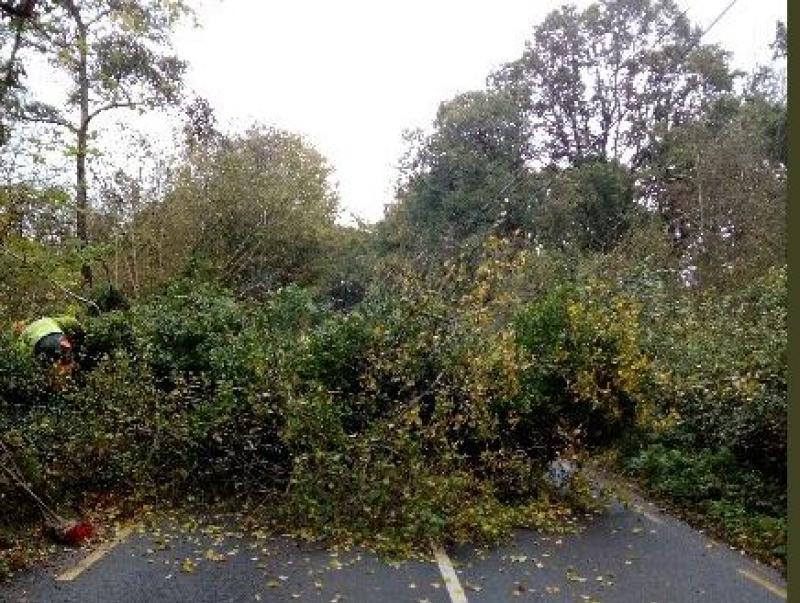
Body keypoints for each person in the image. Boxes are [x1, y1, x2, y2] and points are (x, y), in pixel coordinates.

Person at [14, 315, 84, 385]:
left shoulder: (25, 333)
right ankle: (72, 380)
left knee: (51, 372)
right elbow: (70, 321)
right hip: (57, 337)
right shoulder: (48, 320)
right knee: (67, 363)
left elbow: (20, 351)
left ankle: (59, 386)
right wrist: (81, 331)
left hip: (41, 344)